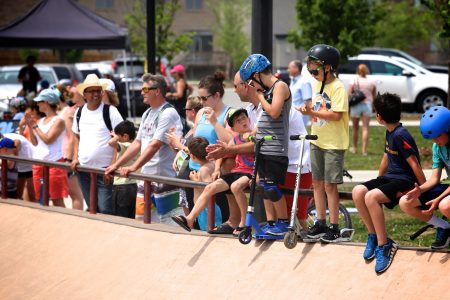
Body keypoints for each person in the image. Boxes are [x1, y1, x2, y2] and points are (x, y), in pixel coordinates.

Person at [352, 92, 426, 274]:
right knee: (358, 191)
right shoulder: (390, 131)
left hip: (405, 180)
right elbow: (387, 156)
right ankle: (374, 236)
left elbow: (414, 163)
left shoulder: (401, 134)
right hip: (391, 178)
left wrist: (425, 189)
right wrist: (378, 180)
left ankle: (385, 245)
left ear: (379, 116)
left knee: (371, 197)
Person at [105, 74, 183, 223]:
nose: (142, 92)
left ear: (157, 91)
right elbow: (137, 143)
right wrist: (115, 165)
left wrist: (133, 167)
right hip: (146, 178)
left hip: (164, 179)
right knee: (142, 219)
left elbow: (155, 145)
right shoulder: (147, 112)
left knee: (169, 223)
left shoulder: (168, 113)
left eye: (145, 89)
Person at [297, 44, 349, 242]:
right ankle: (320, 223)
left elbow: (335, 115)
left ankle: (334, 226)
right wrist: (308, 108)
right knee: (317, 184)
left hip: (333, 144)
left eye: (315, 65)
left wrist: (311, 112)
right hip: (317, 141)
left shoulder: (338, 87)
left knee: (329, 186)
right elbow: (318, 108)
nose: (311, 69)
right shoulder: (318, 85)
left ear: (328, 67)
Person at [172, 109, 254, 236]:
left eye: (244, 118)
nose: (243, 121)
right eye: (238, 121)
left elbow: (252, 145)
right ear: (234, 128)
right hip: (237, 172)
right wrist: (217, 169)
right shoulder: (235, 139)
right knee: (210, 187)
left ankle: (244, 223)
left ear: (249, 120)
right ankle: (190, 219)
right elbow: (224, 152)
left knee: (235, 186)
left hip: (249, 172)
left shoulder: (253, 135)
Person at [239, 53, 291, 236]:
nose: (252, 87)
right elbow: (265, 119)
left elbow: (275, 112)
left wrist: (259, 96)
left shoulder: (280, 86)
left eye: (251, 82)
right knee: (264, 187)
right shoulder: (267, 91)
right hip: (263, 148)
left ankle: (283, 223)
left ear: (257, 75)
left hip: (276, 148)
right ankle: (272, 223)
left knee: (271, 187)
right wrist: (252, 134)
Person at [188, 71, 234, 232]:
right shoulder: (201, 113)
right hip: (194, 167)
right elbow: (194, 137)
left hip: (213, 170)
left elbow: (229, 141)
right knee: (197, 215)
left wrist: (214, 121)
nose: (201, 102)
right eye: (199, 98)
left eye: (204, 98)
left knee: (211, 213)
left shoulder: (229, 113)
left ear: (216, 95)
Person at [399, 106, 450, 249]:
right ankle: (445, 227)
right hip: (448, 185)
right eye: (432, 137)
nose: (435, 140)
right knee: (405, 202)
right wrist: (419, 190)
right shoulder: (438, 147)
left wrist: (438, 199)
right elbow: (434, 179)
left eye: (438, 135)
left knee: (445, 206)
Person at [72, 74, 123, 214]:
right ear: (85, 94)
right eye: (92, 91)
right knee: (92, 208)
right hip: (84, 169)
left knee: (105, 210)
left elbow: (122, 138)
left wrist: (113, 165)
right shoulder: (79, 112)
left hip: (104, 170)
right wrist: (75, 158)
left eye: (98, 90)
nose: (96, 94)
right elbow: (76, 136)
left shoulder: (110, 111)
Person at [24, 89, 69, 207]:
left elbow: (48, 139)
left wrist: (34, 126)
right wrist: (30, 126)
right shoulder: (40, 120)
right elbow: (34, 143)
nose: (37, 104)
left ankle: (61, 224)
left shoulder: (59, 120)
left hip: (54, 164)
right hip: (39, 164)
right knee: (41, 200)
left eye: (40, 101)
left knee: (57, 200)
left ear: (48, 102)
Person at [59, 86, 85, 210]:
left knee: (74, 194)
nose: (71, 96)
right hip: (66, 156)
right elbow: (72, 136)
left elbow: (72, 136)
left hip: (67, 156)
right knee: (74, 194)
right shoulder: (69, 111)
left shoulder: (69, 111)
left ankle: (75, 220)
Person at [108, 120, 138, 219]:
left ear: (125, 137)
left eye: (118, 137)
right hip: (134, 185)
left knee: (121, 218)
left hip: (122, 186)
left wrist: (115, 137)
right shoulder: (137, 145)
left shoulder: (126, 146)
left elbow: (111, 143)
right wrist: (117, 135)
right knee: (132, 216)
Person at [348, 64, 376, 156]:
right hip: (367, 105)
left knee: (355, 128)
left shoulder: (354, 80)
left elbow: (349, 93)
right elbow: (374, 95)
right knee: (365, 128)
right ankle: (364, 151)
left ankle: (355, 148)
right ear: (366, 70)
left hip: (356, 105)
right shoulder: (371, 81)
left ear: (358, 71)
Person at [0, 134, 35, 201]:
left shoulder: (10, 156)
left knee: (30, 195)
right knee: (19, 195)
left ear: (5, 149)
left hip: (8, 191)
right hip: (9, 188)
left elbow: (17, 144)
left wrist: (11, 154)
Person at [288, 59, 312, 126]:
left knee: (300, 136)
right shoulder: (293, 81)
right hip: (292, 116)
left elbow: (308, 102)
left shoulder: (304, 82)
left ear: (296, 69)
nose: (288, 70)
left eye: (289, 68)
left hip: (300, 118)